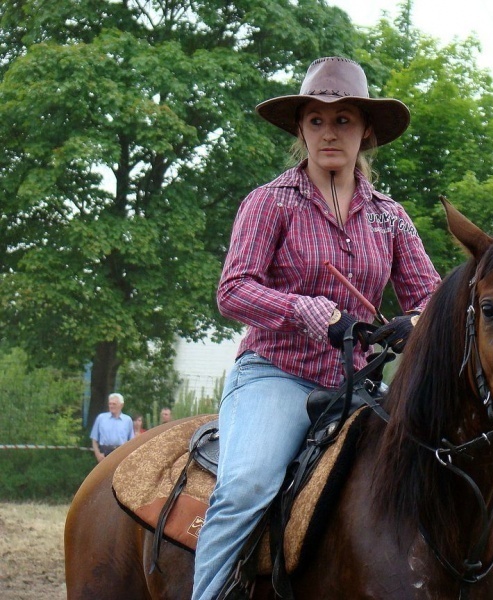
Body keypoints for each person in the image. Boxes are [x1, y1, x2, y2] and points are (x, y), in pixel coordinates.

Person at [192, 56, 441, 600]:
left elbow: (433, 298)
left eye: (344, 120)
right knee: (247, 485)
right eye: (317, 121)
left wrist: (414, 322)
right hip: (277, 376)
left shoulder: (390, 217)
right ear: (301, 130)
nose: (330, 133)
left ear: (366, 131)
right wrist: (308, 311)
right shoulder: (269, 202)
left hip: (358, 388)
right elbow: (233, 289)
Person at [90, 393, 134, 462]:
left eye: (114, 404)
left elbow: (131, 441)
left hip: (121, 453)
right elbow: (94, 439)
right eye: (110, 404)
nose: (111, 406)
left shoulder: (127, 420)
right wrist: (98, 454)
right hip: (104, 453)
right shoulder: (101, 418)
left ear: (121, 405)